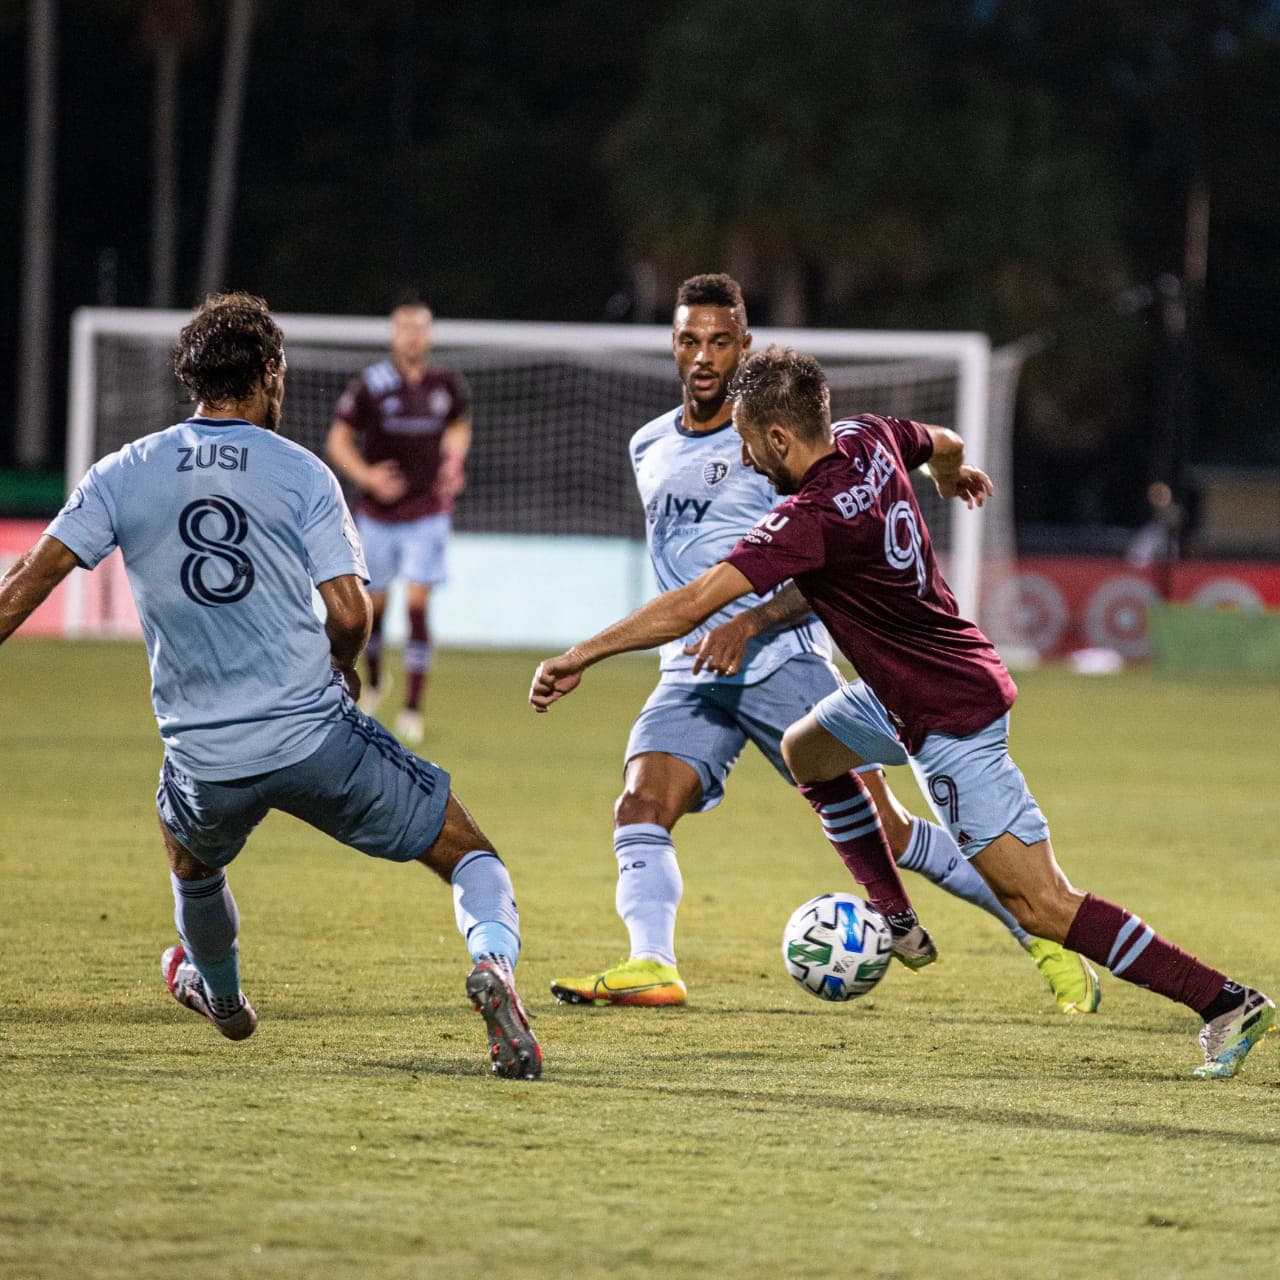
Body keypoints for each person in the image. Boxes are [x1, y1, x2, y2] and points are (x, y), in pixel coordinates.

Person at [531, 344, 1275, 1080]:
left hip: (946, 714)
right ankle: (894, 912)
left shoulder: (807, 518)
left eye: (752, 444)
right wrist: (952, 477)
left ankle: (1225, 1002)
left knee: (1043, 902)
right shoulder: (869, 435)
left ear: (780, 437)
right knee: (807, 749)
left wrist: (580, 655)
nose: (749, 459)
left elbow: (691, 603)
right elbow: (943, 444)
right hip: (899, 689)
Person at [0, 293, 540, 1081]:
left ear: (194, 378)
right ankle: (494, 967)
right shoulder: (301, 471)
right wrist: (341, 665)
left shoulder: (123, 471)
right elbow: (351, 612)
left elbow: (25, 582)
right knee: (468, 855)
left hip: (205, 758)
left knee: (191, 863)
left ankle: (222, 997)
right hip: (314, 739)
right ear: (270, 375)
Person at [547, 273, 1098, 1015]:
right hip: (691, 671)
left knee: (891, 830)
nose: (703, 356)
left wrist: (750, 622)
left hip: (783, 663)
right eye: (689, 339)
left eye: (719, 341)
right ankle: (652, 963)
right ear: (672, 345)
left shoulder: (778, 452)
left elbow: (833, 560)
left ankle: (1043, 942)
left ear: (743, 349)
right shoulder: (647, 444)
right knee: (641, 805)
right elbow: (684, 579)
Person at [325, 299, 471, 744]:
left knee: (419, 603)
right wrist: (368, 475)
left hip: (428, 510)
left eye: (419, 328)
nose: (411, 336)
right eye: (404, 328)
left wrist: (452, 461)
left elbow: (460, 425)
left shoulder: (446, 384)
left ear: (429, 336)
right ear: (393, 336)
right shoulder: (372, 385)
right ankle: (373, 683)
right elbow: (338, 440)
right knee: (375, 608)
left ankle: (412, 707)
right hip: (379, 514)